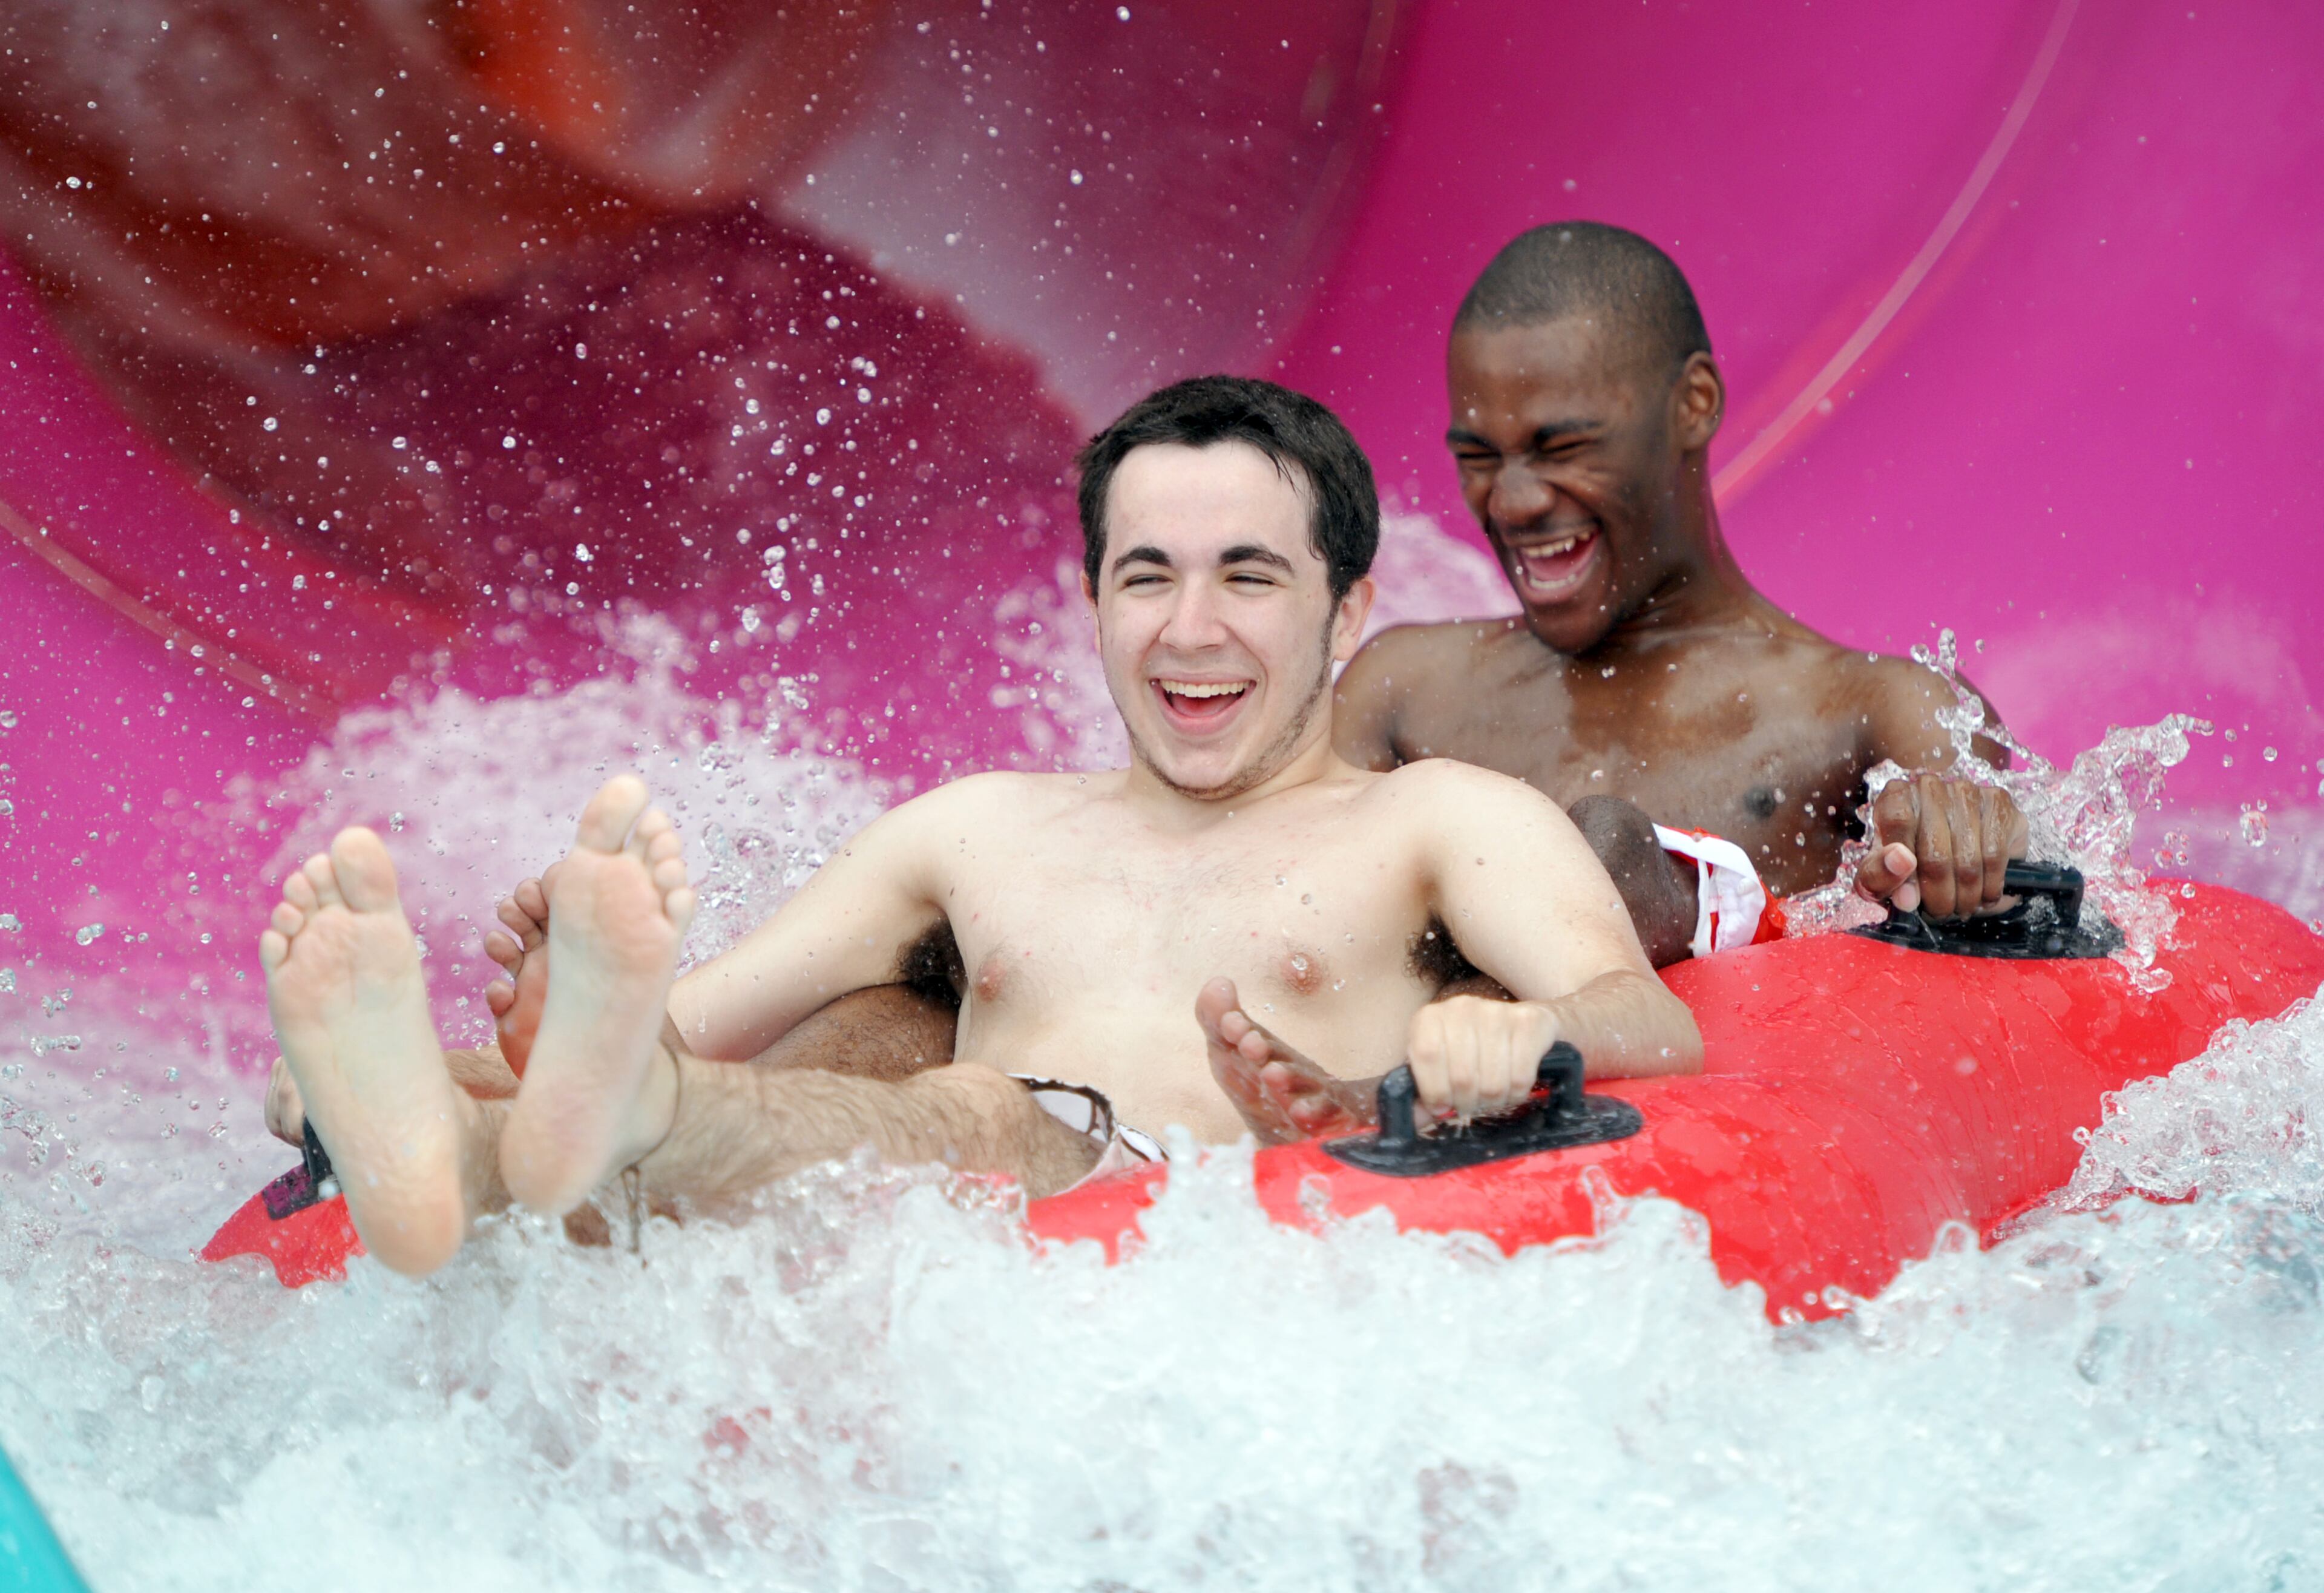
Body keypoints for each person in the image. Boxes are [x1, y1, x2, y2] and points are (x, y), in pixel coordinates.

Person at [257, 376, 1702, 1276]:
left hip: (1189, 1252)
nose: (1190, 629)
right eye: (1146, 577)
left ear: (1348, 610)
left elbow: (1649, 1018)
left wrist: (1522, 1033)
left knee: (989, 1109)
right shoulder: (976, 830)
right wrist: (466, 1054)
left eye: (1249, 577)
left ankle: (583, 1139)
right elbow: (687, 1025)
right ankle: (441, 1141)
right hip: (946, 1281)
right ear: (1092, 603)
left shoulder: (1433, 818)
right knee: (696, 1102)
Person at [1334, 222, 2028, 969]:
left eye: (1563, 448)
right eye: (1478, 458)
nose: (1511, 502)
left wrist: (1955, 839)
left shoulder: (1873, 713)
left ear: (1694, 403)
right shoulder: (1403, 692)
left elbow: (2013, 956)